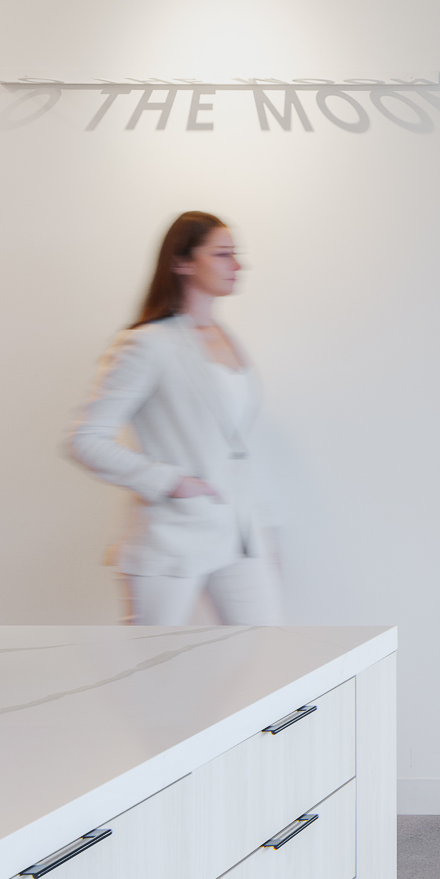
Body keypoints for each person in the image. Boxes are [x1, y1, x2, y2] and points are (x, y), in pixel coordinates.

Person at [68, 212, 280, 626]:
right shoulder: (147, 345)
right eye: (222, 254)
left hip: (240, 535)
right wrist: (171, 482)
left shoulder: (227, 338)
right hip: (171, 538)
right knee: (153, 661)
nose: (237, 265)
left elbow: (237, 448)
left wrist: (263, 528)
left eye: (235, 254)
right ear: (183, 262)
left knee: (268, 648)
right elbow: (86, 439)